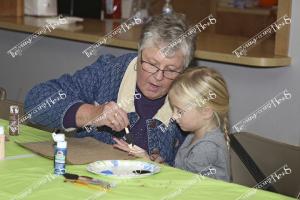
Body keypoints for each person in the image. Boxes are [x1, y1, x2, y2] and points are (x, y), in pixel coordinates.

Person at [24, 13, 196, 165]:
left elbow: (200, 169)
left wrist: (169, 168)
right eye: (151, 64)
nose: (158, 77)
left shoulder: (194, 99)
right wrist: (91, 113)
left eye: (171, 70)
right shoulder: (110, 71)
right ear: (139, 53)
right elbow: (35, 102)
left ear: (185, 70)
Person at [114, 67, 231, 181]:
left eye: (179, 111)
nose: (174, 117)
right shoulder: (194, 136)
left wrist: (151, 164)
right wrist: (162, 165)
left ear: (206, 112)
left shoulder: (206, 148)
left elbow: (186, 188)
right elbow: (184, 175)